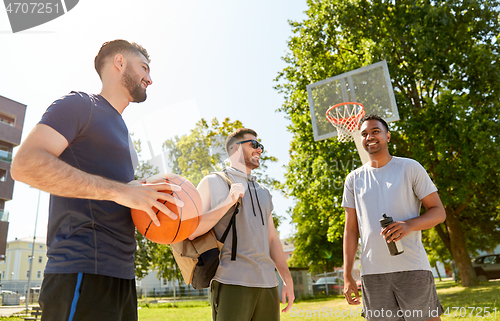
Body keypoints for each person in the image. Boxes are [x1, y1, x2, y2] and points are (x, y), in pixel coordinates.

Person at [11, 39, 182, 321]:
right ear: (119, 62)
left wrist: (157, 201)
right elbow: (25, 165)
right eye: (144, 67)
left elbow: (123, 198)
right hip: (81, 271)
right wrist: (121, 192)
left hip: (123, 277)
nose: (150, 79)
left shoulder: (125, 133)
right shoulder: (79, 104)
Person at [342, 114, 446, 321]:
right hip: (372, 274)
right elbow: (351, 230)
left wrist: (408, 225)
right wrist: (347, 275)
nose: (369, 137)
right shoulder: (353, 179)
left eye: (375, 131)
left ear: (387, 136)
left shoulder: (410, 168)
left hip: (412, 268)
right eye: (364, 134)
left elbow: (438, 212)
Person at [188, 128, 294, 321]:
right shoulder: (213, 181)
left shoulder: (264, 191)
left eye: (260, 146)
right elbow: (192, 231)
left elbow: (272, 239)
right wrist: (229, 201)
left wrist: (286, 280)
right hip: (231, 282)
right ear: (235, 148)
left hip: (268, 284)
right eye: (254, 144)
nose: (259, 150)